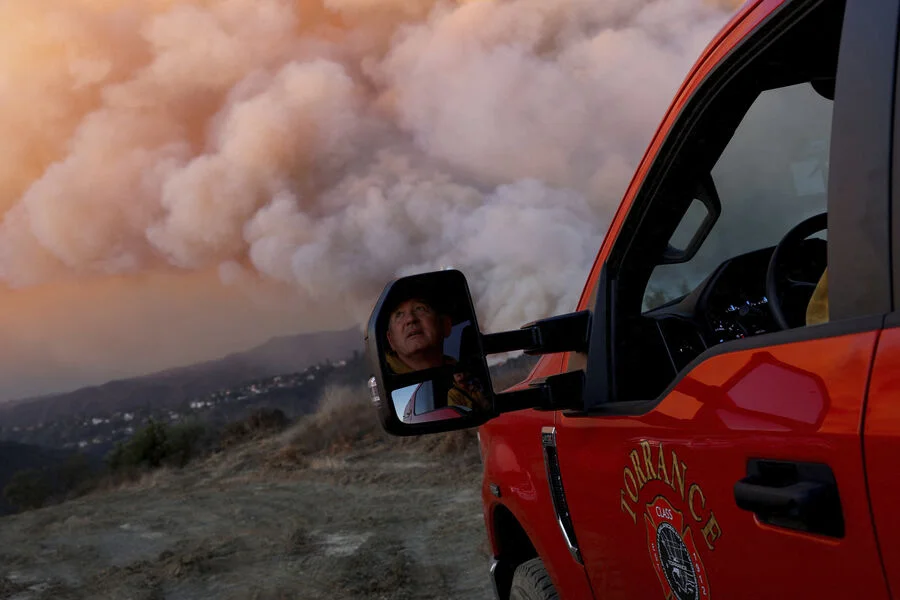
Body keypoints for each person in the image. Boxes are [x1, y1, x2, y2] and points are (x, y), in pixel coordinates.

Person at [382, 288, 489, 416]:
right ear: (391, 340)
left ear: (445, 325)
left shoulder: (463, 380)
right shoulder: (388, 382)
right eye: (399, 315)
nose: (410, 319)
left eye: (420, 309)